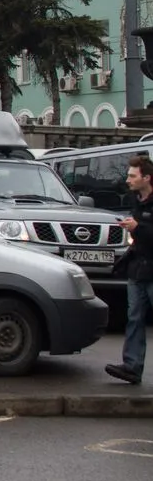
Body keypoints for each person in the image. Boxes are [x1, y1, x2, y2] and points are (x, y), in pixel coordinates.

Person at [106, 155, 153, 385]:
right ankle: (132, 366)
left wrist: (138, 227)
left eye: (133, 176)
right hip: (137, 269)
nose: (128, 180)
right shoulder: (136, 200)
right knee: (134, 318)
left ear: (147, 178)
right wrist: (132, 229)